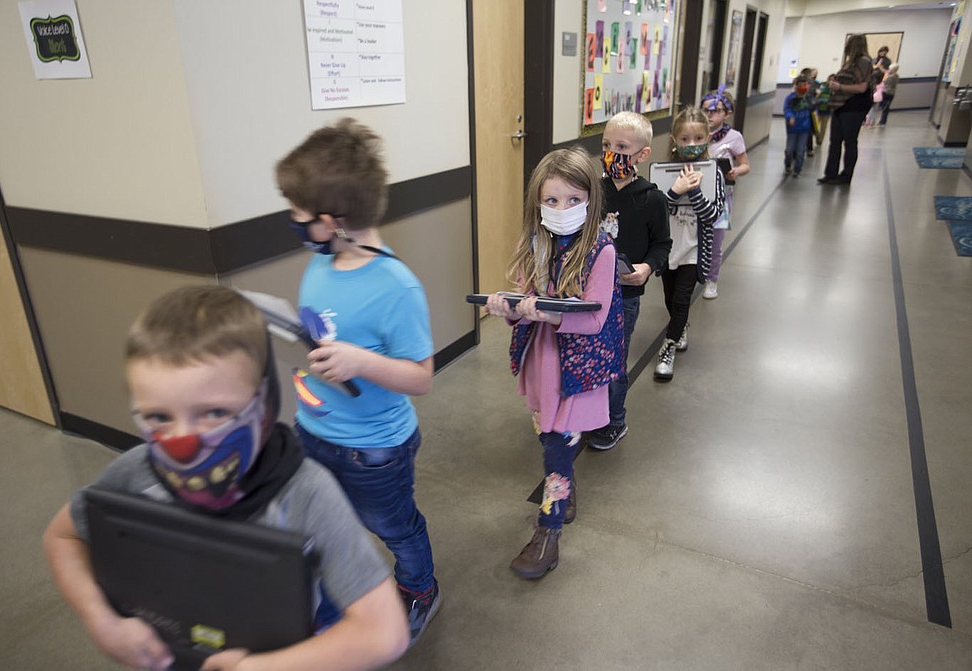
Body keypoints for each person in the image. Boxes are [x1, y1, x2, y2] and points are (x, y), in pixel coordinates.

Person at [42, 285, 409, 671]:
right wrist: (102, 621)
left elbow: (384, 632)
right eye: (159, 417)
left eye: (215, 412)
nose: (183, 443)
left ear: (264, 405)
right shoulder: (136, 470)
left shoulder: (305, 491)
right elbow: (62, 536)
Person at [275, 118, 440, 645]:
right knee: (322, 522)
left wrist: (360, 362)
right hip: (314, 432)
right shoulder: (323, 263)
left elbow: (421, 378)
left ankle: (419, 587)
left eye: (298, 215)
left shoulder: (397, 287)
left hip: (375, 451)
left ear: (332, 220)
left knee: (394, 528)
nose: (293, 222)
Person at [484, 146, 624, 578]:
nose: (561, 209)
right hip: (542, 363)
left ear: (590, 201)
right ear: (537, 203)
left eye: (573, 200)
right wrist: (505, 306)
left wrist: (550, 314)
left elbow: (597, 318)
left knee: (555, 448)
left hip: (578, 370)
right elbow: (524, 298)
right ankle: (565, 480)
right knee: (548, 435)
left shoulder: (601, 251)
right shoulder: (535, 243)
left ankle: (549, 532)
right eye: (551, 201)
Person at [587, 111, 671, 451]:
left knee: (614, 360)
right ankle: (588, 414)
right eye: (606, 144)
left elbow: (662, 245)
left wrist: (646, 269)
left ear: (642, 154)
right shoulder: (593, 191)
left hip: (625, 295)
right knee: (588, 353)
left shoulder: (652, 198)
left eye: (621, 146)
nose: (611, 152)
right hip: (590, 291)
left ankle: (614, 421)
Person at [655, 106, 724, 381]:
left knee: (682, 299)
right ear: (674, 140)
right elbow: (657, 210)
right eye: (685, 139)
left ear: (707, 139)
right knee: (670, 299)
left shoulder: (713, 173)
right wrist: (675, 191)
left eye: (697, 139)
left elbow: (714, 215)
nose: (691, 145)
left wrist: (694, 191)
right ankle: (679, 327)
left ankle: (668, 346)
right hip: (668, 248)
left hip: (694, 248)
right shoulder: (663, 172)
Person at [701, 86, 750, 300]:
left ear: (727, 113)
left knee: (715, 240)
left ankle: (712, 279)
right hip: (697, 194)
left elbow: (745, 165)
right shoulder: (695, 132)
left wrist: (735, 171)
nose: (709, 115)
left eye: (716, 111)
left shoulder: (734, 137)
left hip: (722, 195)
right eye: (705, 110)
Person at [819, 34, 874, 186]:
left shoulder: (864, 62)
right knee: (834, 141)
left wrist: (840, 87)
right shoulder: (850, 63)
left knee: (849, 142)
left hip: (854, 106)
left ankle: (846, 176)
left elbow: (862, 87)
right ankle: (830, 174)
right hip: (839, 105)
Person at [784, 75, 813, 178]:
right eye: (800, 85)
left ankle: (797, 169)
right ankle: (788, 164)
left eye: (805, 85)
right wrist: (790, 117)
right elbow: (787, 109)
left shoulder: (809, 99)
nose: (803, 87)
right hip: (792, 129)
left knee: (801, 151)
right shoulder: (791, 98)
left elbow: (814, 109)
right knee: (789, 150)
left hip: (804, 129)